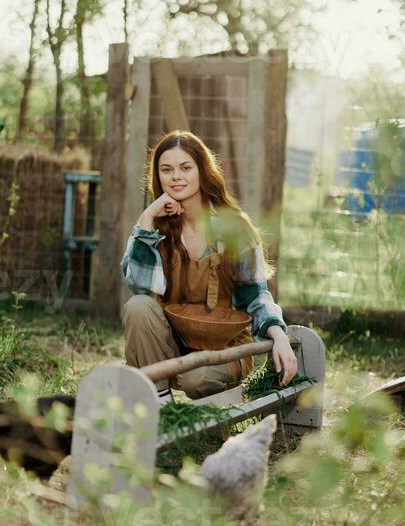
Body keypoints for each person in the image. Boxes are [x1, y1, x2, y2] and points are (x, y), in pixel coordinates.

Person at [120, 130, 298, 400]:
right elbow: (140, 287)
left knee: (196, 377)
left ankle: (220, 404)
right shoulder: (156, 227)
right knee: (138, 307)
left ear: (203, 171)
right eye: (166, 169)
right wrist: (146, 219)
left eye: (185, 168)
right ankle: (160, 406)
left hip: (222, 347)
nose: (176, 176)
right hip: (173, 342)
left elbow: (256, 296)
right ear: (157, 176)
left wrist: (280, 336)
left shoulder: (234, 227)